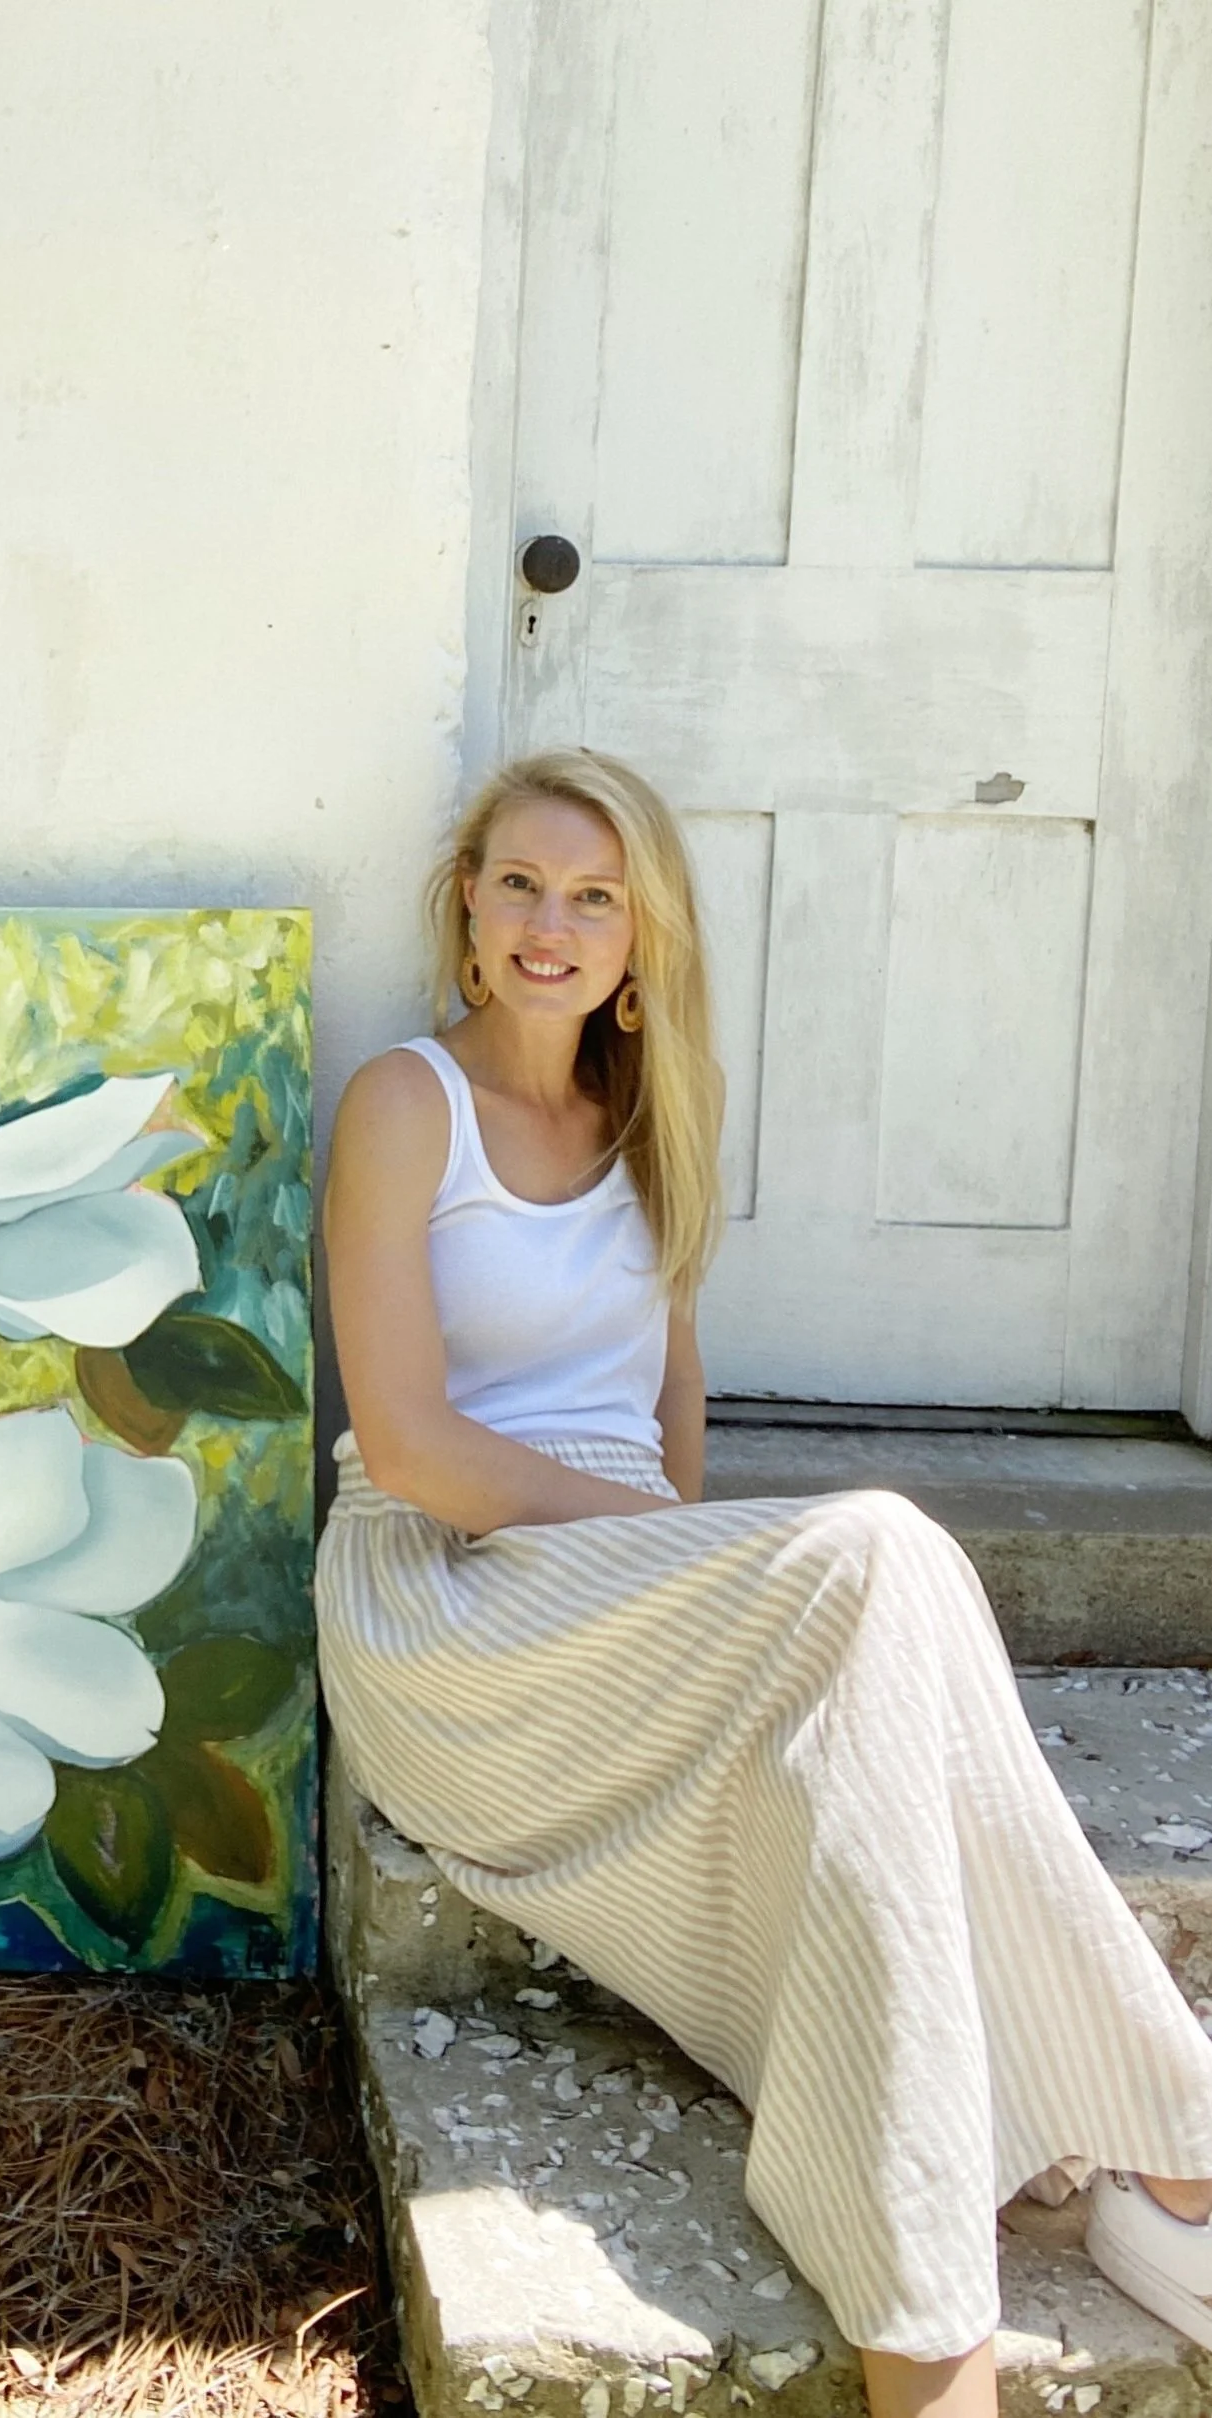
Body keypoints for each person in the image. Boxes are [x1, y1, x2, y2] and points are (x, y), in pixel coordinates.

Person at [313, 747, 1212, 2418]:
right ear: (464, 900)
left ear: (641, 937)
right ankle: (1184, 2145)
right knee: (878, 1549)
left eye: (594, 896)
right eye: (519, 883)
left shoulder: (656, 1122)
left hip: (624, 1600)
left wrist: (694, 1580)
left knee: (873, 1698)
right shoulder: (402, 1106)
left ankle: (938, 2326)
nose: (550, 924)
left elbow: (674, 1398)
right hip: (443, 1599)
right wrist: (669, 1551)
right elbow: (416, 1442)